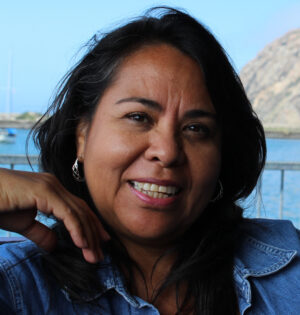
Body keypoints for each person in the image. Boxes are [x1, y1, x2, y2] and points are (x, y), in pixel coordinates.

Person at [0, 7, 299, 315]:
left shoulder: (288, 269)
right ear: (82, 136)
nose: (168, 152)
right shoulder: (18, 285)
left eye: (196, 129)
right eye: (138, 117)